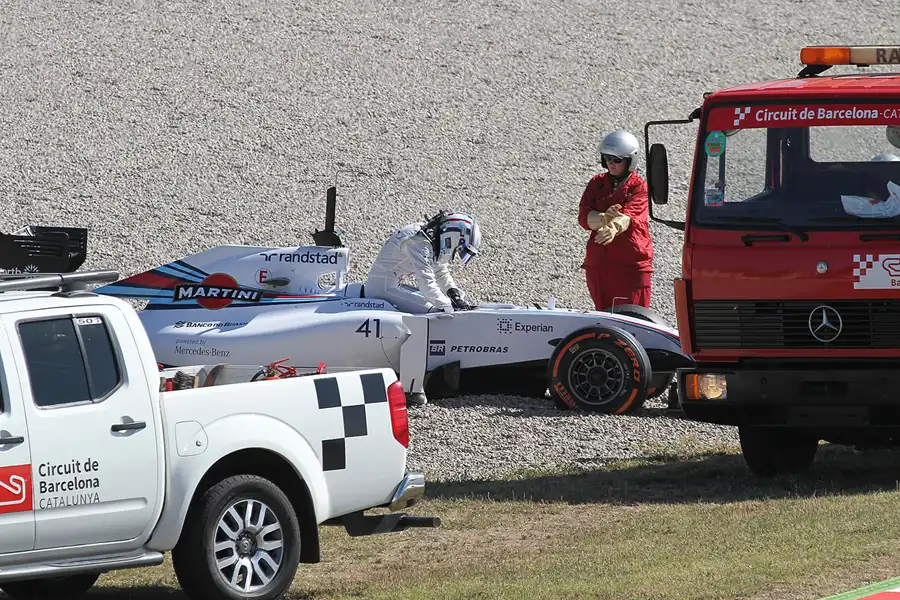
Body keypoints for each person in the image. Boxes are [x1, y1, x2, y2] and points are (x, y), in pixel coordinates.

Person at [578, 130, 653, 310]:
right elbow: (583, 217)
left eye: (617, 159)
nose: (611, 163)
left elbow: (630, 216)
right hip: (600, 265)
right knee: (603, 315)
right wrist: (604, 219)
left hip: (631, 266)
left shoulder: (639, 187)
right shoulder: (597, 183)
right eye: (607, 158)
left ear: (630, 160)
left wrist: (612, 227)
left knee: (634, 317)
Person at [365, 210, 482, 314]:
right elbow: (426, 282)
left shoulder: (430, 237)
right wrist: (447, 305)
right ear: (453, 237)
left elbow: (440, 271)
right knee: (436, 311)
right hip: (382, 289)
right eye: (457, 248)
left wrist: (455, 295)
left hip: (395, 284)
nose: (455, 252)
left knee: (441, 304)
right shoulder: (418, 242)